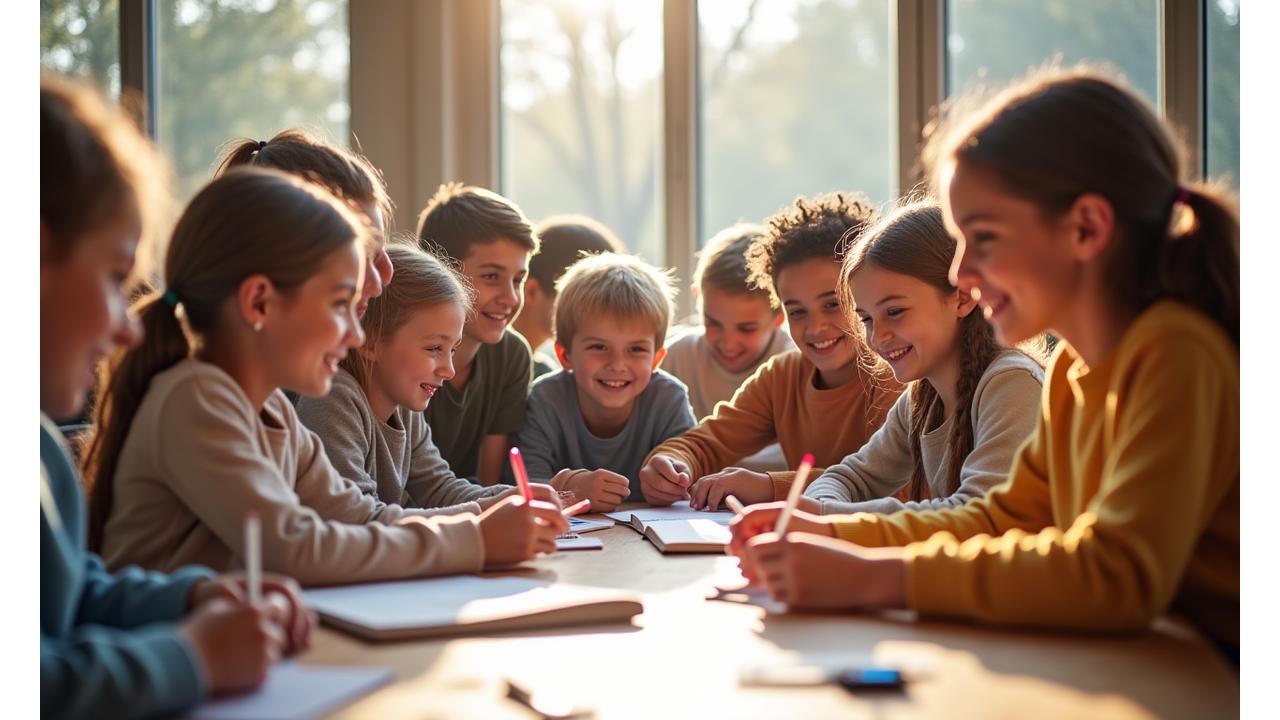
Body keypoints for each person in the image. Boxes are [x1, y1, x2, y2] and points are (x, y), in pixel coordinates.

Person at [731, 68, 1239, 662]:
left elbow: (1118, 575)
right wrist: (831, 530)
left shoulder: (1175, 351)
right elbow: (1001, 520)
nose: (961, 272)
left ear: (1086, 227)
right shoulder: (1075, 372)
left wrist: (873, 577)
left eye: (984, 237)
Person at [85, 168, 566, 587]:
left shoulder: (270, 408)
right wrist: (475, 539)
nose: (356, 332)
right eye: (341, 306)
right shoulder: (197, 398)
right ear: (259, 304)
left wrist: (487, 518)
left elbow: (358, 517)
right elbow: (294, 546)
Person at [41, 74, 311, 718]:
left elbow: (68, 598)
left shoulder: (38, 449)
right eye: (114, 277)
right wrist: (192, 658)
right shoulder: (198, 398)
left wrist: (190, 600)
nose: (127, 324)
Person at [690, 201, 1044, 513]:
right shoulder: (922, 397)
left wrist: (823, 518)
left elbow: (975, 515)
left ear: (962, 299)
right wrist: (812, 509)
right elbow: (853, 476)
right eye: (866, 319)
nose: (877, 337)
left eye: (895, 312)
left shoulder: (1011, 383)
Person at [641, 192, 901, 507]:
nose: (815, 327)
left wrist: (769, 486)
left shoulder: (895, 375)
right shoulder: (783, 376)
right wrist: (671, 463)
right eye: (797, 311)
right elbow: (709, 442)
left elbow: (893, 485)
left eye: (832, 304)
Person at [297, 243, 557, 509]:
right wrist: (483, 515)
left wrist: (518, 496)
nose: (449, 369)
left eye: (452, 349)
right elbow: (359, 519)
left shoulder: (402, 405)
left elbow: (439, 488)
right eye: (434, 348)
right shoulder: (333, 400)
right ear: (371, 341)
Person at [513, 253, 696, 510]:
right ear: (565, 355)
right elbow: (524, 485)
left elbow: (692, 465)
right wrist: (571, 489)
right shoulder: (546, 399)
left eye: (636, 350)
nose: (617, 364)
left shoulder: (669, 398)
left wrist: (676, 481)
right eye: (599, 347)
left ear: (656, 359)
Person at [416, 183, 539, 485]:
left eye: (518, 280)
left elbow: (489, 484)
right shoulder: (406, 352)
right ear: (441, 270)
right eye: (491, 277)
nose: (510, 297)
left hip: (469, 508)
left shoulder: (511, 356)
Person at [661, 223, 794, 472]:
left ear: (780, 316)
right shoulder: (677, 356)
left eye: (746, 328)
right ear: (698, 297)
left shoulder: (795, 364)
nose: (728, 343)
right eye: (712, 322)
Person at [515, 214, 624, 378]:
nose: (600, 315)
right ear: (531, 291)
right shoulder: (499, 363)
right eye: (584, 301)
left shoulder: (545, 370)